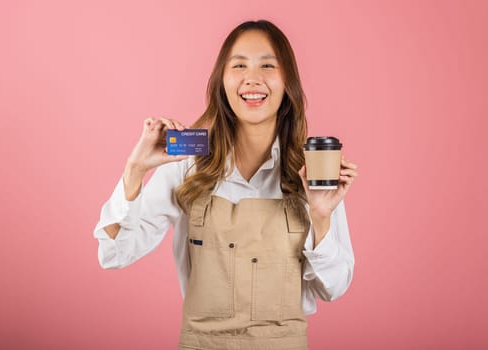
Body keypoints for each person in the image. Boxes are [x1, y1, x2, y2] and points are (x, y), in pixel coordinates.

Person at [94, 19, 358, 350]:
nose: (252, 78)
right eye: (239, 65)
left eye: (267, 65)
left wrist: (320, 216)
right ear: (222, 80)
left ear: (287, 81)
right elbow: (114, 253)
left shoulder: (312, 170)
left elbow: (332, 288)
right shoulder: (188, 160)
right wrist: (135, 170)